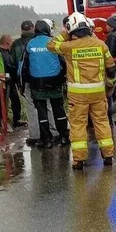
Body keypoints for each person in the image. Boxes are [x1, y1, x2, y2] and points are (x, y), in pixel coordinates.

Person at [47, 13, 116, 170]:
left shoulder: (69, 47)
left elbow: (51, 45)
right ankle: (108, 156)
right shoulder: (100, 44)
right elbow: (111, 68)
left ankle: (79, 161)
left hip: (78, 96)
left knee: (78, 125)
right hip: (98, 93)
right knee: (102, 122)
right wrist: (109, 87)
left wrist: (65, 32)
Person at [21, 20, 70, 148]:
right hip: (55, 80)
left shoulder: (30, 44)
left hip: (37, 83)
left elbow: (24, 67)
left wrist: (23, 84)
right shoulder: (53, 42)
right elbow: (63, 62)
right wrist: (64, 78)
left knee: (41, 111)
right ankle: (64, 137)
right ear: (48, 29)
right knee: (58, 109)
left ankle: (47, 139)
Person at [0, 34, 24, 131]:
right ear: (7, 43)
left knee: (15, 100)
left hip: (10, 81)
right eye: (11, 41)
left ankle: (17, 120)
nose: (12, 43)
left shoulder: (10, 50)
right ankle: (2, 122)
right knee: (1, 103)